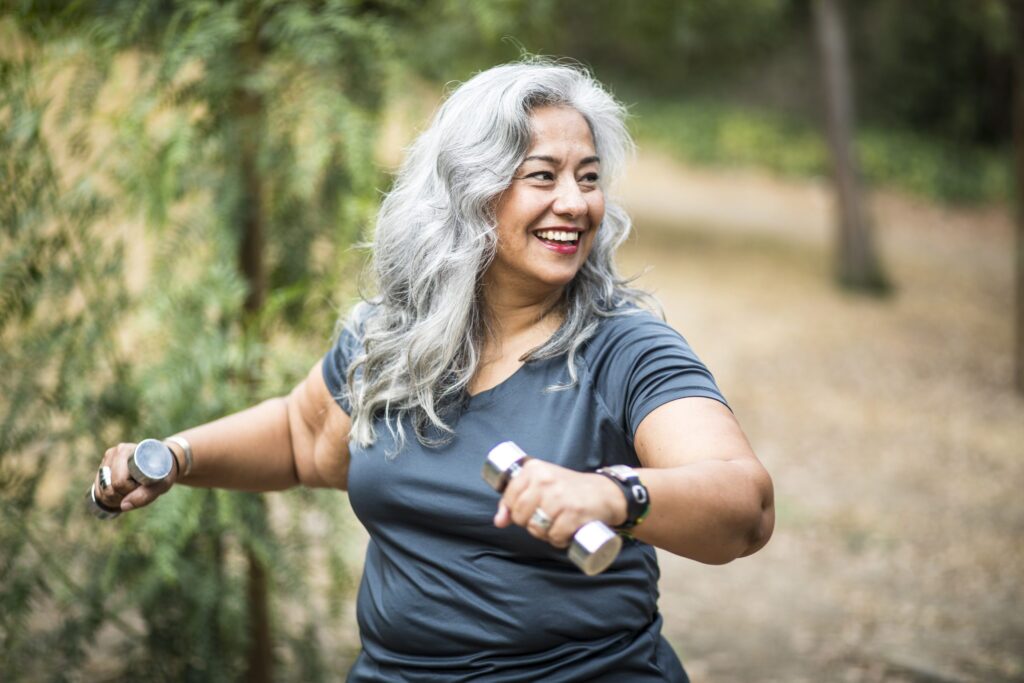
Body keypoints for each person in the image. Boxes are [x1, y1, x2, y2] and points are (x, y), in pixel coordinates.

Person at [92, 60, 774, 681]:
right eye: (544, 175)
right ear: (471, 193)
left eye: (588, 177)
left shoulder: (627, 350)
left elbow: (746, 505)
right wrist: (176, 456)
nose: (576, 202)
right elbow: (304, 438)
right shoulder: (391, 335)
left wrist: (615, 495)